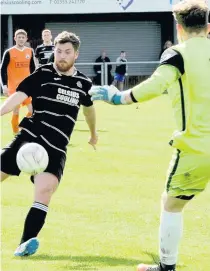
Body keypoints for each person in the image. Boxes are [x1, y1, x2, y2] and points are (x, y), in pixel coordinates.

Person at [89, 1, 210, 271]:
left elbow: (156, 85)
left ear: (179, 29)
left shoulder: (178, 54)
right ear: (208, 28)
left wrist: (118, 97)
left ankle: (167, 266)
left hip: (197, 147)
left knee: (172, 204)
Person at [0, 31, 98, 257]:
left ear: (76, 55)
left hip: (55, 148)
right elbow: (19, 95)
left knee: (44, 191)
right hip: (29, 139)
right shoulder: (42, 73)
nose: (61, 56)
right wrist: (2, 111)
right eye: (59, 51)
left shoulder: (83, 82)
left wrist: (93, 134)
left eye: (67, 52)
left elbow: (89, 109)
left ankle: (23, 246)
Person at [0, 29, 35, 134]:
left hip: (27, 86)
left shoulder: (30, 51)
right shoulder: (9, 52)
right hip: (14, 88)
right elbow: (2, 70)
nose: (21, 39)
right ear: (15, 38)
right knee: (16, 110)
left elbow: (33, 69)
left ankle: (22, 127)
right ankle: (16, 134)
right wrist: (4, 86)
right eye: (19, 37)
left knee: (32, 111)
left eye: (23, 37)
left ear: (26, 39)